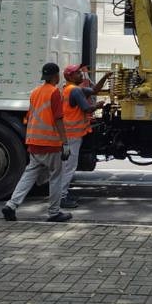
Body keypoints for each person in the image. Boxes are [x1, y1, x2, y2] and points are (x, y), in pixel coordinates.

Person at [1, 62, 73, 223]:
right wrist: (65, 143)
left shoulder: (35, 92)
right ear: (56, 76)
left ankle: (11, 205)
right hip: (51, 143)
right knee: (56, 177)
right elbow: (58, 119)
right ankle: (54, 212)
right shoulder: (55, 92)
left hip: (34, 141)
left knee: (29, 175)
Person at [58, 64, 111, 208]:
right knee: (69, 167)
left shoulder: (72, 89)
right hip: (72, 134)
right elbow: (86, 108)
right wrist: (98, 106)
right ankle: (61, 197)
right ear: (70, 76)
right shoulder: (75, 90)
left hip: (71, 133)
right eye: (77, 73)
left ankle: (63, 194)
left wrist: (105, 77)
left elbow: (95, 90)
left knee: (66, 166)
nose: (81, 74)